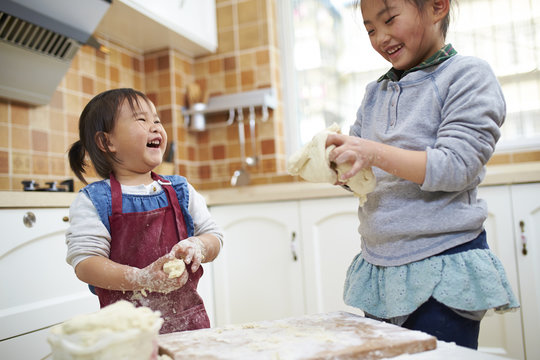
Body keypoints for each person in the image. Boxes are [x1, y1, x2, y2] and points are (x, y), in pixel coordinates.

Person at [325, 0, 519, 349]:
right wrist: (342, 168)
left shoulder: (468, 75)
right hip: (380, 269)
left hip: (443, 265)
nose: (380, 37)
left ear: (437, 7)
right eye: (370, 29)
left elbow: (456, 165)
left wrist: (370, 152)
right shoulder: (374, 94)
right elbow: (366, 173)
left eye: (389, 19)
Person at [66, 88, 223, 334]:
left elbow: (214, 237)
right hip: (126, 335)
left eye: (157, 120)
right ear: (107, 142)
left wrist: (199, 246)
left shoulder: (181, 190)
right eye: (142, 119)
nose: (155, 126)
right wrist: (140, 278)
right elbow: (85, 264)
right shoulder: (94, 201)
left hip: (189, 328)